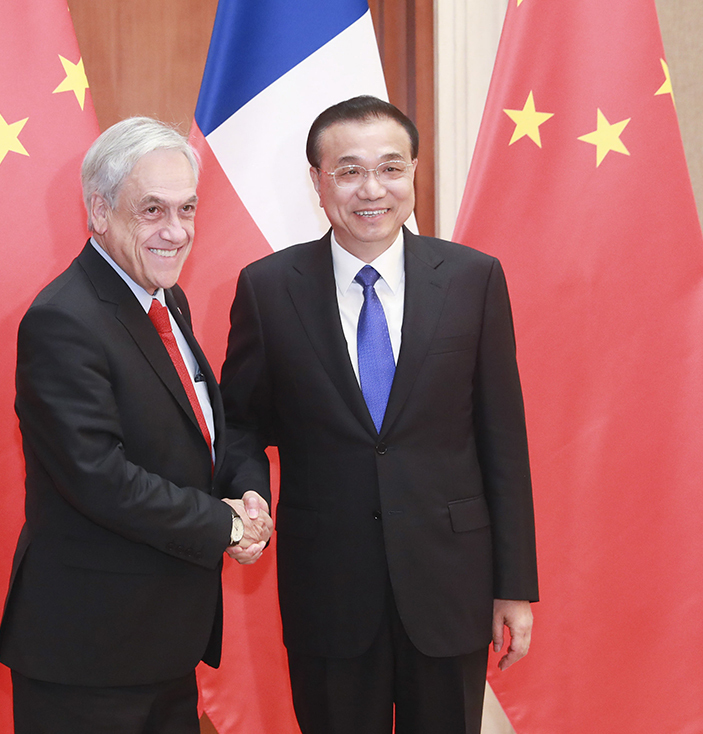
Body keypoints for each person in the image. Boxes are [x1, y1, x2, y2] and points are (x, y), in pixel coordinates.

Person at [219, 96, 538, 734]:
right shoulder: (268, 288)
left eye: (391, 168)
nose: (372, 189)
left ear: (414, 172)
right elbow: (241, 424)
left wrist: (514, 584)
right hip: (328, 588)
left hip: (450, 585)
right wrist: (249, 495)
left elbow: (502, 439)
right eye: (350, 171)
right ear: (317, 181)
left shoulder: (473, 278)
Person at [0, 116, 272, 734]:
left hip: (164, 645)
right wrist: (224, 524)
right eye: (152, 210)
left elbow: (200, 433)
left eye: (186, 208)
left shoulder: (166, 299)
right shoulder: (63, 319)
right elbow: (98, 477)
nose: (176, 231)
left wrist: (248, 493)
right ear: (99, 211)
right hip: (89, 654)